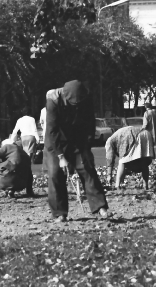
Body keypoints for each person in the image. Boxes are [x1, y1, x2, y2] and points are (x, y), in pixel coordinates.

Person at [45, 80, 109, 222]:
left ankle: (100, 207)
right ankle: (59, 213)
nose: (77, 106)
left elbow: (90, 123)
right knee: (55, 173)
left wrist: (87, 147)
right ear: (65, 97)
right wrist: (61, 157)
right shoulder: (53, 101)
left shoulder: (85, 98)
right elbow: (52, 131)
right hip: (56, 141)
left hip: (77, 139)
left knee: (87, 168)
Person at [105, 126, 156, 190]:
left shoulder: (109, 142)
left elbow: (110, 158)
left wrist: (109, 175)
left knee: (122, 161)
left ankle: (117, 186)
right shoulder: (117, 136)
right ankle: (145, 185)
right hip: (146, 134)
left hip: (135, 135)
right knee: (144, 162)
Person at [10, 107, 39, 196]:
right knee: (29, 157)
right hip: (31, 137)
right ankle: (27, 169)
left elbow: (15, 131)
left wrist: (12, 140)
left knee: (25, 155)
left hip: (23, 137)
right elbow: (34, 129)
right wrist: (37, 139)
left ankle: (26, 166)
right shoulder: (32, 119)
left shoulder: (19, 120)